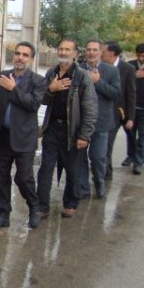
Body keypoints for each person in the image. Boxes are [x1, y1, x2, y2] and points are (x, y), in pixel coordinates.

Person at [0, 42, 46, 231]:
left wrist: (13, 89)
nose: (20, 57)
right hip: (3, 136)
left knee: (24, 177)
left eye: (25, 55)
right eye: (18, 53)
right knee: (1, 177)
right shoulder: (1, 77)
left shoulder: (37, 81)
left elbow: (33, 104)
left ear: (31, 59)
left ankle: (34, 208)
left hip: (24, 138)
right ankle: (3, 213)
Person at [36, 38, 97, 218]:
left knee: (72, 170)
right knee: (45, 169)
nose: (63, 52)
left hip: (73, 131)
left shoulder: (82, 76)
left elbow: (90, 108)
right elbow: (42, 100)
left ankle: (71, 202)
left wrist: (84, 135)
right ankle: (42, 206)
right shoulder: (51, 73)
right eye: (61, 49)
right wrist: (51, 89)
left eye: (67, 50)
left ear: (75, 54)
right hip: (52, 129)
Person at [76, 39, 120, 198]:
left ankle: (99, 182)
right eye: (88, 49)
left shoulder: (111, 71)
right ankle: (83, 188)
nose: (91, 53)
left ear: (101, 52)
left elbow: (115, 93)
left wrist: (98, 82)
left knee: (98, 157)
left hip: (101, 123)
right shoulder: (78, 69)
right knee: (79, 158)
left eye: (95, 50)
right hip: (81, 123)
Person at [101, 42, 136, 180]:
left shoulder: (128, 69)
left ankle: (106, 173)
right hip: (102, 112)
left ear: (111, 53)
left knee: (107, 143)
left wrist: (130, 117)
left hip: (118, 113)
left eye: (103, 51)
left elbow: (131, 93)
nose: (101, 53)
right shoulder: (100, 67)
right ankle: (104, 171)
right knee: (103, 144)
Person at [128, 43, 144, 174]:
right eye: (138, 56)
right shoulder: (130, 66)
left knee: (143, 136)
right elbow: (123, 81)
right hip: (132, 108)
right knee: (130, 134)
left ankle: (138, 162)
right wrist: (134, 75)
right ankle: (130, 156)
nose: (141, 58)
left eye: (143, 56)